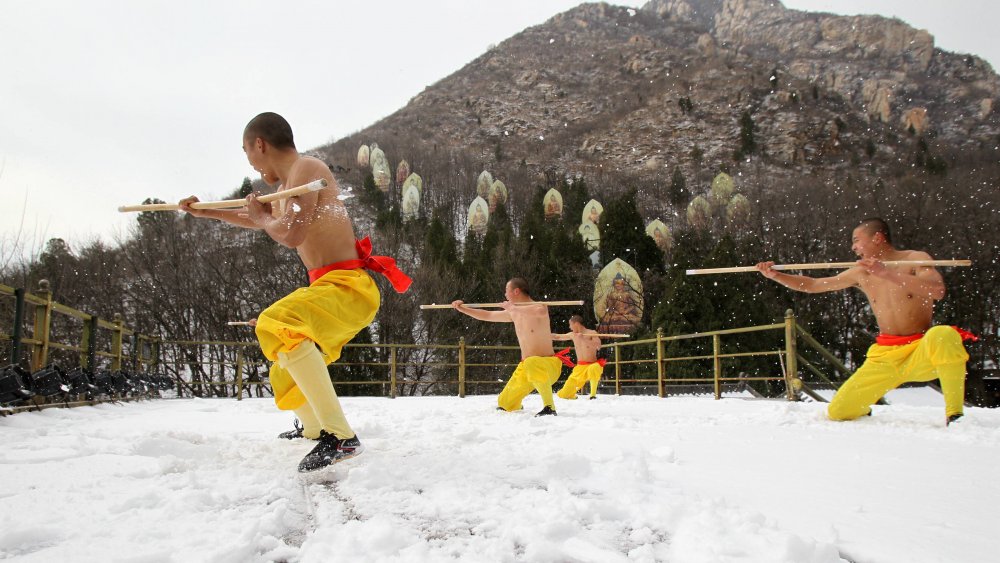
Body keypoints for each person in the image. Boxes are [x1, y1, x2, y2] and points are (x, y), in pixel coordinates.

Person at [179, 112, 411, 472]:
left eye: (247, 153)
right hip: (333, 286)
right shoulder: (287, 187)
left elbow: (289, 233)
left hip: (349, 286)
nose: (252, 166)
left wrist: (261, 216)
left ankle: (342, 437)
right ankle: (316, 428)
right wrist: (206, 211)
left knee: (276, 321)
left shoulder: (307, 167)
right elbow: (257, 218)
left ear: (260, 144)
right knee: (282, 360)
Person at [755, 217, 974, 425]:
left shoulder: (915, 259)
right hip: (886, 355)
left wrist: (887, 274)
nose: (854, 247)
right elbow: (814, 285)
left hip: (921, 350)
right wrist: (776, 276)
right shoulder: (861, 272)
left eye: (856, 240)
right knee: (838, 412)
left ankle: (955, 414)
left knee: (944, 334)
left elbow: (937, 290)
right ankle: (862, 401)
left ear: (877, 238)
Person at [451, 278, 569, 416]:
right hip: (527, 366)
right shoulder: (514, 313)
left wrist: (514, 309)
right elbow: (487, 315)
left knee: (532, 362)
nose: (505, 295)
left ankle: (549, 407)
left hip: (547, 365)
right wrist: (463, 309)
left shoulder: (539, 306)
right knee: (504, 403)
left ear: (516, 291)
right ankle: (516, 403)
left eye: (507, 291)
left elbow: (539, 312)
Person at [553, 315, 605, 400]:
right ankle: (571, 395)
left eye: (570, 325)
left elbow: (598, 346)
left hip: (593, 364)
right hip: (580, 366)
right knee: (564, 394)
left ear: (576, 324)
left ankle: (593, 395)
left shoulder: (592, 333)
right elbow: (557, 337)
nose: (570, 327)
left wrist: (584, 339)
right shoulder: (573, 335)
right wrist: (544, 334)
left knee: (593, 368)